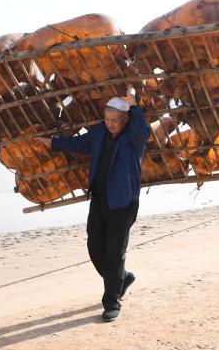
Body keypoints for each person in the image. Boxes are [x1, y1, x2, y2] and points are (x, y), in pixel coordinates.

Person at [36, 87, 150, 321]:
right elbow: (78, 144)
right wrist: (52, 143)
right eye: (107, 119)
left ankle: (111, 302)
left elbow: (142, 129)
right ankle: (122, 278)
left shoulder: (133, 137)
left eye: (115, 120)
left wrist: (134, 104)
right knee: (94, 247)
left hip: (123, 203)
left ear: (126, 119)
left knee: (114, 253)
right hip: (99, 200)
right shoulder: (99, 133)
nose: (110, 124)